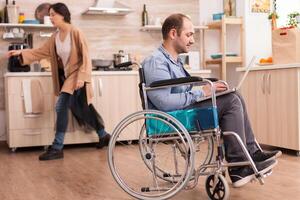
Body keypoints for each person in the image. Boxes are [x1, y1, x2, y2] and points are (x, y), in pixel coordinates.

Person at [142, 13, 281, 188]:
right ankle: (239, 167)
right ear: (173, 33)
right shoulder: (156, 62)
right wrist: (202, 93)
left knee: (234, 95)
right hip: (172, 119)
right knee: (230, 101)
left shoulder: (174, 61)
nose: (192, 40)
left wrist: (209, 91)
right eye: (189, 34)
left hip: (183, 112)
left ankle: (251, 153)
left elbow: (185, 90)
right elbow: (165, 103)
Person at [6, 3, 110, 161]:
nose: (51, 18)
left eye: (53, 14)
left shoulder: (75, 32)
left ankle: (57, 147)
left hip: (77, 75)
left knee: (61, 106)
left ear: (63, 15)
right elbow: (41, 51)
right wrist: (21, 52)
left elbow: (86, 56)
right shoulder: (55, 37)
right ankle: (104, 135)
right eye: (50, 15)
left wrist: (82, 78)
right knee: (83, 109)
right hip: (67, 77)